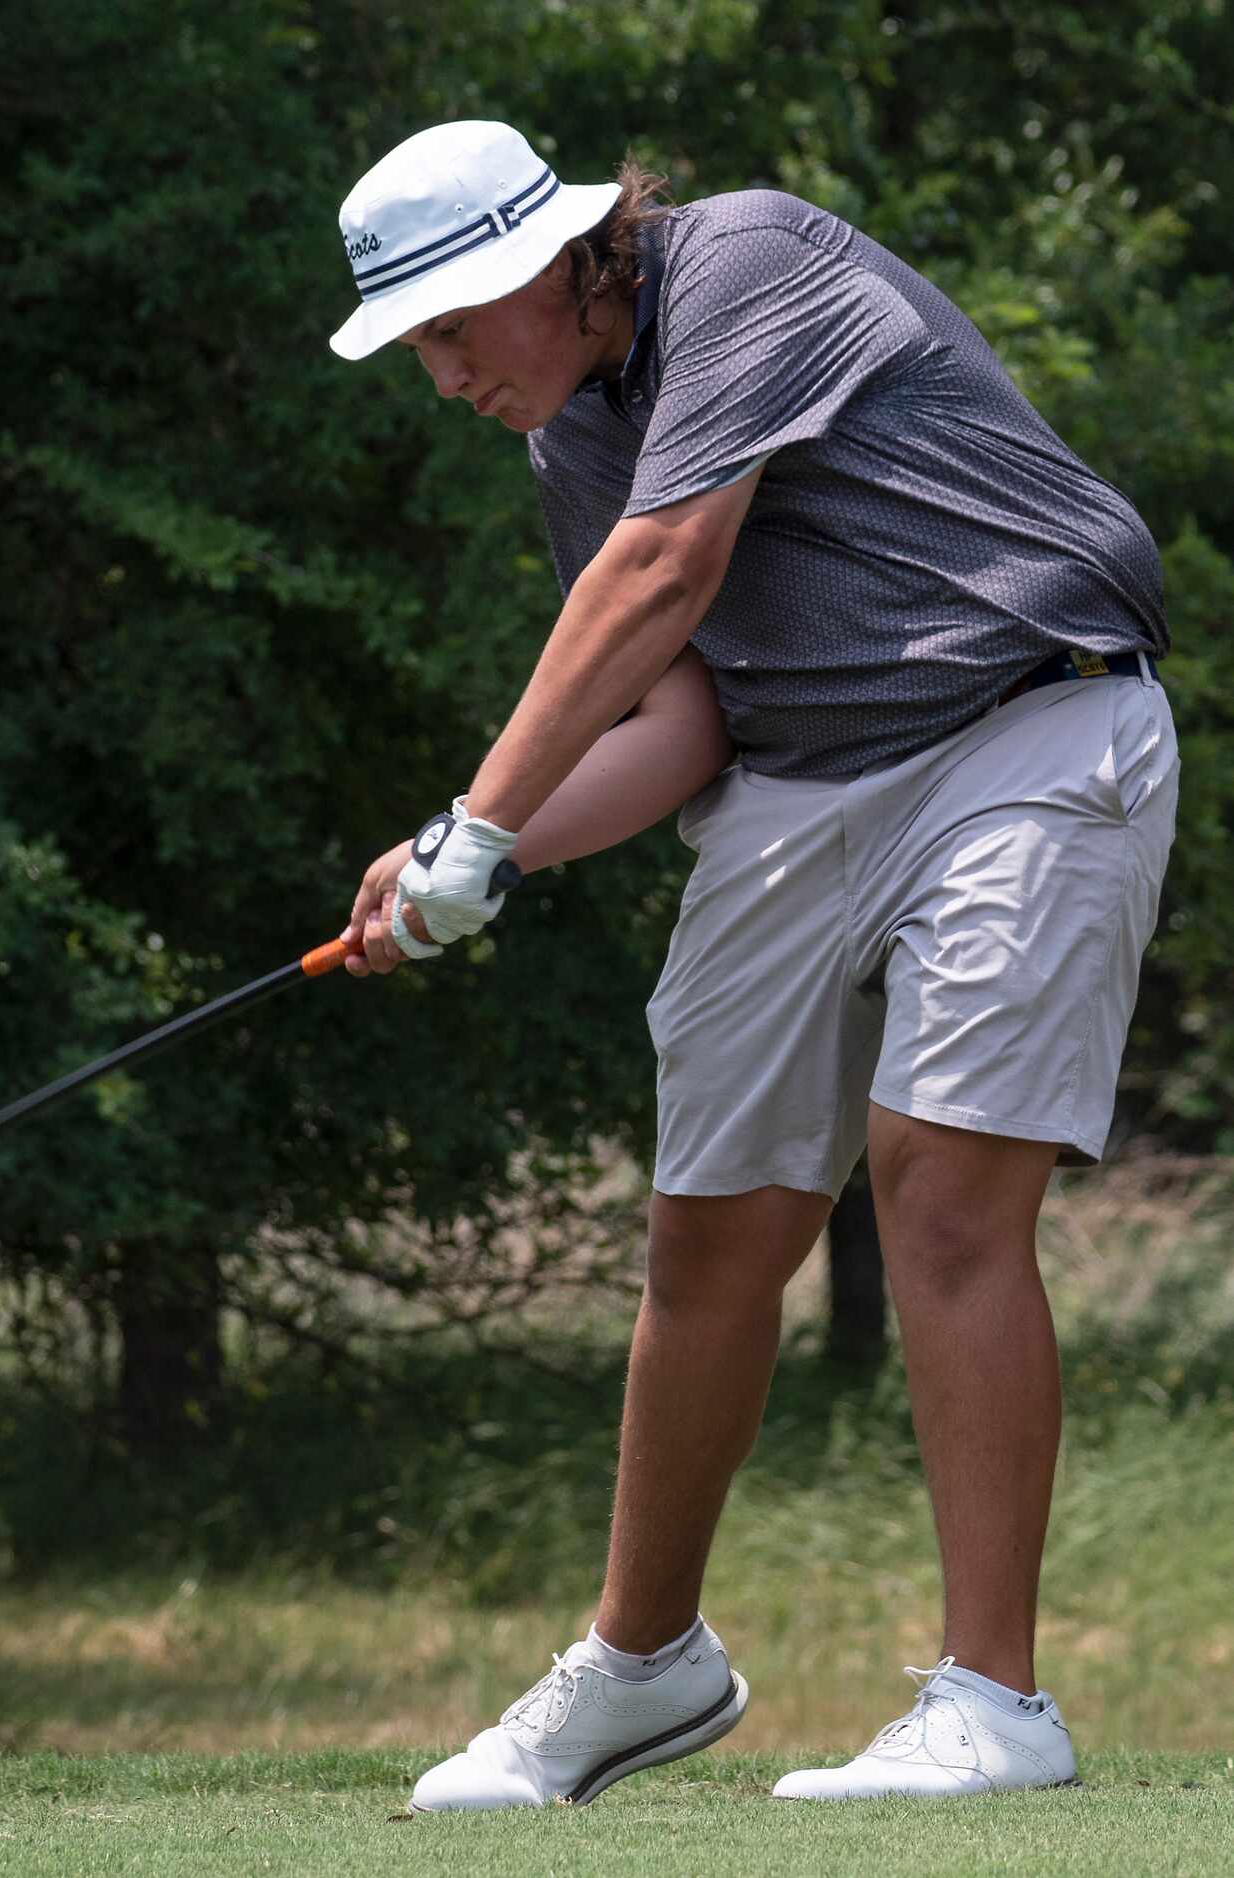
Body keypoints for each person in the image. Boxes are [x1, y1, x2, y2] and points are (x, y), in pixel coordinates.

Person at [328, 119, 1178, 1808]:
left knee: (939, 1189)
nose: (441, 378)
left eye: (447, 330)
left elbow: (671, 567)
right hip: (801, 780)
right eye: (414, 346)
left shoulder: (751, 260)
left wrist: (481, 815)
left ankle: (996, 1701)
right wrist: (465, 865)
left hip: (1031, 714)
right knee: (708, 1230)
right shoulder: (574, 437)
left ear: (545, 261)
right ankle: (645, 1666)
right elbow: (681, 712)